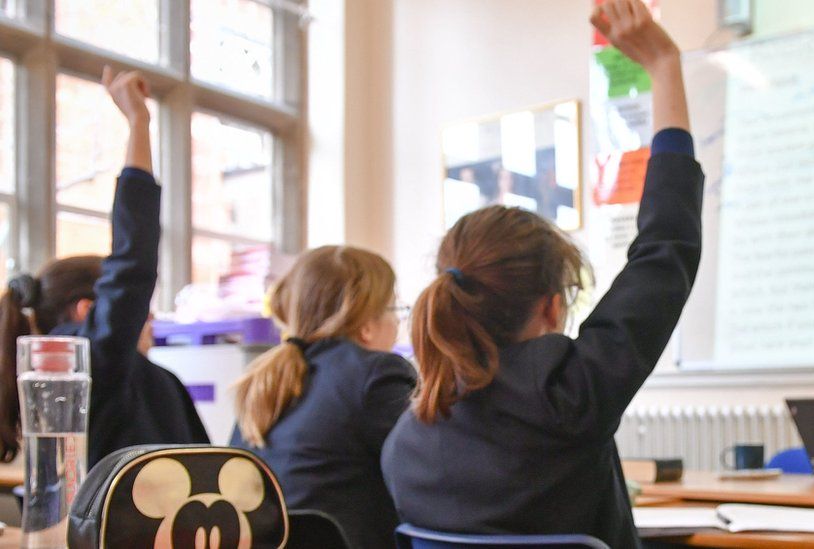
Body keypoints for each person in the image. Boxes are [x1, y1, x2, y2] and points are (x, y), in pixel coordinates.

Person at [380, 2, 702, 547]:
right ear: (552, 306)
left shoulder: (405, 440)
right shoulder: (571, 395)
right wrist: (664, 64)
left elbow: (663, 248)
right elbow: (667, 244)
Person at [0, 67, 209, 467]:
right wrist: (138, 123)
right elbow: (133, 262)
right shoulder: (86, 365)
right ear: (87, 310)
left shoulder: (148, 378)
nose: (148, 316)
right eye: (140, 308)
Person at [230, 246, 415, 549]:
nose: (397, 326)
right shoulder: (376, 374)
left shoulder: (263, 381)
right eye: (394, 310)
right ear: (367, 325)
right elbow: (423, 479)